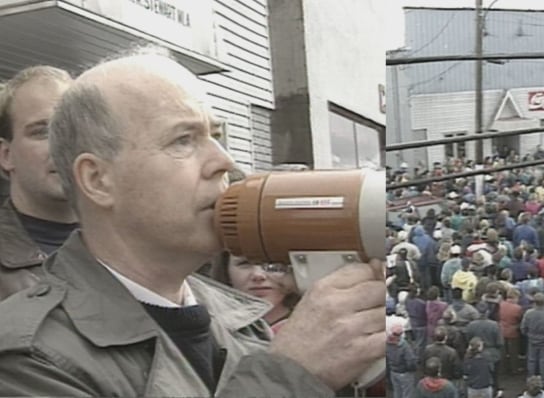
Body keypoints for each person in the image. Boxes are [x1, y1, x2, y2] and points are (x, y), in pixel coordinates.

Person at [0, 51, 384, 397]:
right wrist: (292, 375)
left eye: (216, 136)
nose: (225, 163)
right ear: (98, 180)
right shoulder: (28, 359)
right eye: (183, 140)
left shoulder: (242, 319)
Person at [0, 66, 79, 300]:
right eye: (42, 132)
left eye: (74, 131)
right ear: (6, 155)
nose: (63, 145)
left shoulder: (135, 248)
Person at [209, 254, 300, 334]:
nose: (258, 275)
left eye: (272, 262)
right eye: (244, 263)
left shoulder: (311, 322)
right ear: (226, 271)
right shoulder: (213, 328)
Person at [520, 292, 544, 389]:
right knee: (543, 361)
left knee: (531, 360)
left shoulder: (529, 313)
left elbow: (523, 327)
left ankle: (530, 380)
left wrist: (528, 335)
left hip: (532, 339)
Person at [388, 324, 417, 398]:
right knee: (407, 394)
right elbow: (411, 361)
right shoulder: (404, 346)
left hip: (393, 372)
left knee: (397, 392)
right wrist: (412, 370)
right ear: (401, 334)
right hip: (405, 373)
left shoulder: (386, 343)